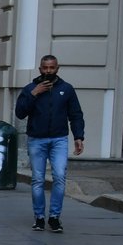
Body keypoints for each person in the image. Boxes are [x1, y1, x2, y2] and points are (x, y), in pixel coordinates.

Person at [15, 54, 85, 233]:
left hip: (59, 139)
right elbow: (20, 113)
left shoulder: (66, 89)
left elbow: (76, 114)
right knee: (38, 179)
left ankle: (54, 217)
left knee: (60, 176)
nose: (48, 71)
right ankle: (39, 217)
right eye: (45, 68)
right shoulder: (30, 88)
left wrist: (79, 136)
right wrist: (34, 93)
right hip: (36, 139)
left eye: (51, 68)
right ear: (40, 69)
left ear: (57, 69)